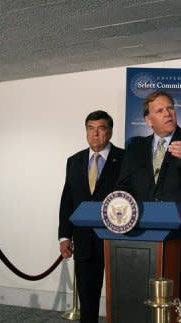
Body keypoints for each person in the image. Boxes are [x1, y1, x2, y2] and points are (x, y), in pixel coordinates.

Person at [118, 91, 181, 323]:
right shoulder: (135, 148)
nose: (168, 113)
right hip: (146, 242)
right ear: (148, 120)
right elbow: (122, 186)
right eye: (160, 110)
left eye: (170, 108)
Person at [58, 110, 124, 323]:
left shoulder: (125, 159)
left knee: (122, 299)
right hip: (84, 241)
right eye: (90, 128)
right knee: (87, 302)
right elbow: (67, 200)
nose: (95, 134)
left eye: (101, 128)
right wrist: (64, 236)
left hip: (117, 241)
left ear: (110, 132)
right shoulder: (74, 161)